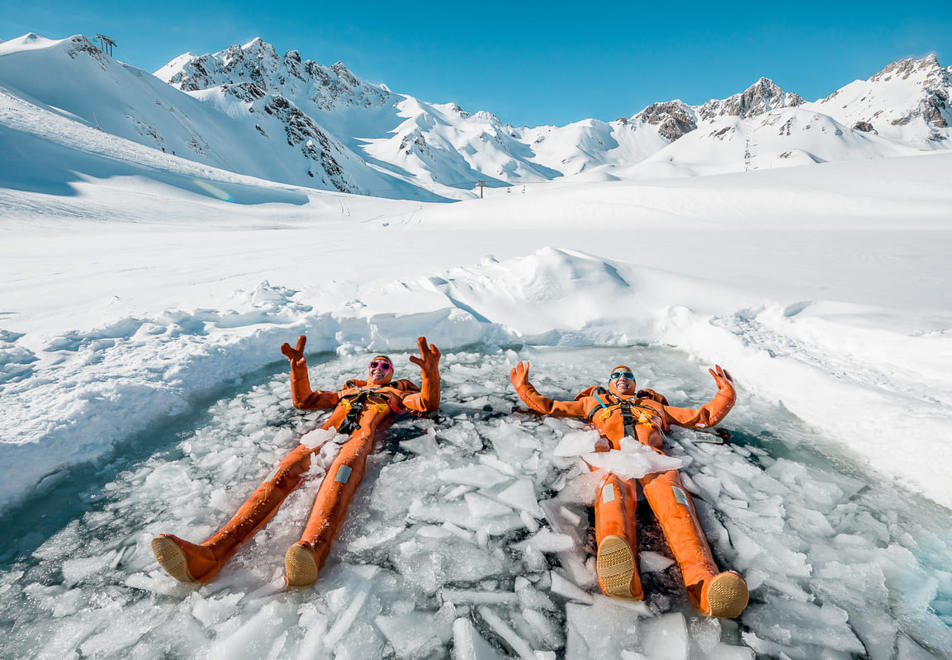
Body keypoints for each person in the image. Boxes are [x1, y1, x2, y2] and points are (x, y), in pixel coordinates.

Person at [151, 335, 441, 588]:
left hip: (358, 440)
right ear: (367, 370)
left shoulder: (398, 393)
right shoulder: (348, 390)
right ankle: (211, 553)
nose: (379, 369)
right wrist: (298, 367)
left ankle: (313, 549)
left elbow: (426, 404)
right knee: (280, 475)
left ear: (392, 374)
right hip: (324, 435)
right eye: (375, 364)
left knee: (338, 478)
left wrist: (430, 375)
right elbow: (306, 400)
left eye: (385, 366)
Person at [510, 361, 748, 618]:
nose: (622, 378)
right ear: (610, 382)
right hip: (614, 461)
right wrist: (524, 388)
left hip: (655, 462)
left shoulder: (656, 406)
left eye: (627, 375)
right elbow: (551, 407)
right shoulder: (592, 403)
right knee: (613, 504)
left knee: (679, 513)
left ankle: (705, 586)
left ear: (634, 383)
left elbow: (702, 417)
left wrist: (726, 395)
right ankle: (623, 579)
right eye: (617, 376)